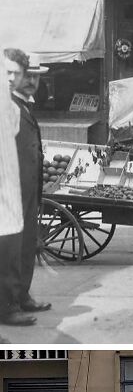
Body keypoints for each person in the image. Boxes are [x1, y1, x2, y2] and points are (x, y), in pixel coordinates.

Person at [1, 48, 50, 326]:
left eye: (35, 76)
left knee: (27, 242)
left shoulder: (24, 106)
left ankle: (21, 296)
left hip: (27, 189)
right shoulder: (8, 106)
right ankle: (8, 307)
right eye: (25, 75)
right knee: (10, 249)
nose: (30, 81)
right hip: (11, 189)